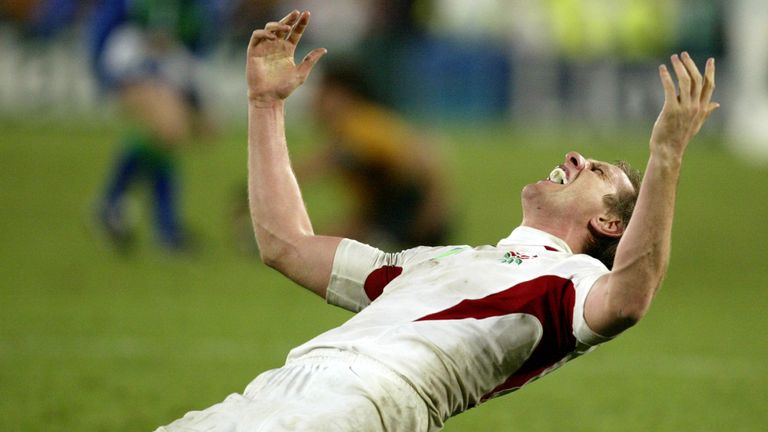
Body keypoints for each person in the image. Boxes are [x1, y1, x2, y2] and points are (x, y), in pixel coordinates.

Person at [156, 10, 718, 432]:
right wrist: (266, 106)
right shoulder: (434, 261)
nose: (574, 158)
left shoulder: (572, 288)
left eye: (595, 171)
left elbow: (630, 298)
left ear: (610, 225)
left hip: (363, 404)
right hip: (284, 384)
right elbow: (286, 244)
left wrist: (665, 157)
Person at [88, 0, 220, 251]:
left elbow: (191, 42)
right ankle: (166, 229)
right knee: (170, 130)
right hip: (133, 58)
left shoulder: (194, 11)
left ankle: (112, 205)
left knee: (199, 132)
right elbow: (125, 23)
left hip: (169, 62)